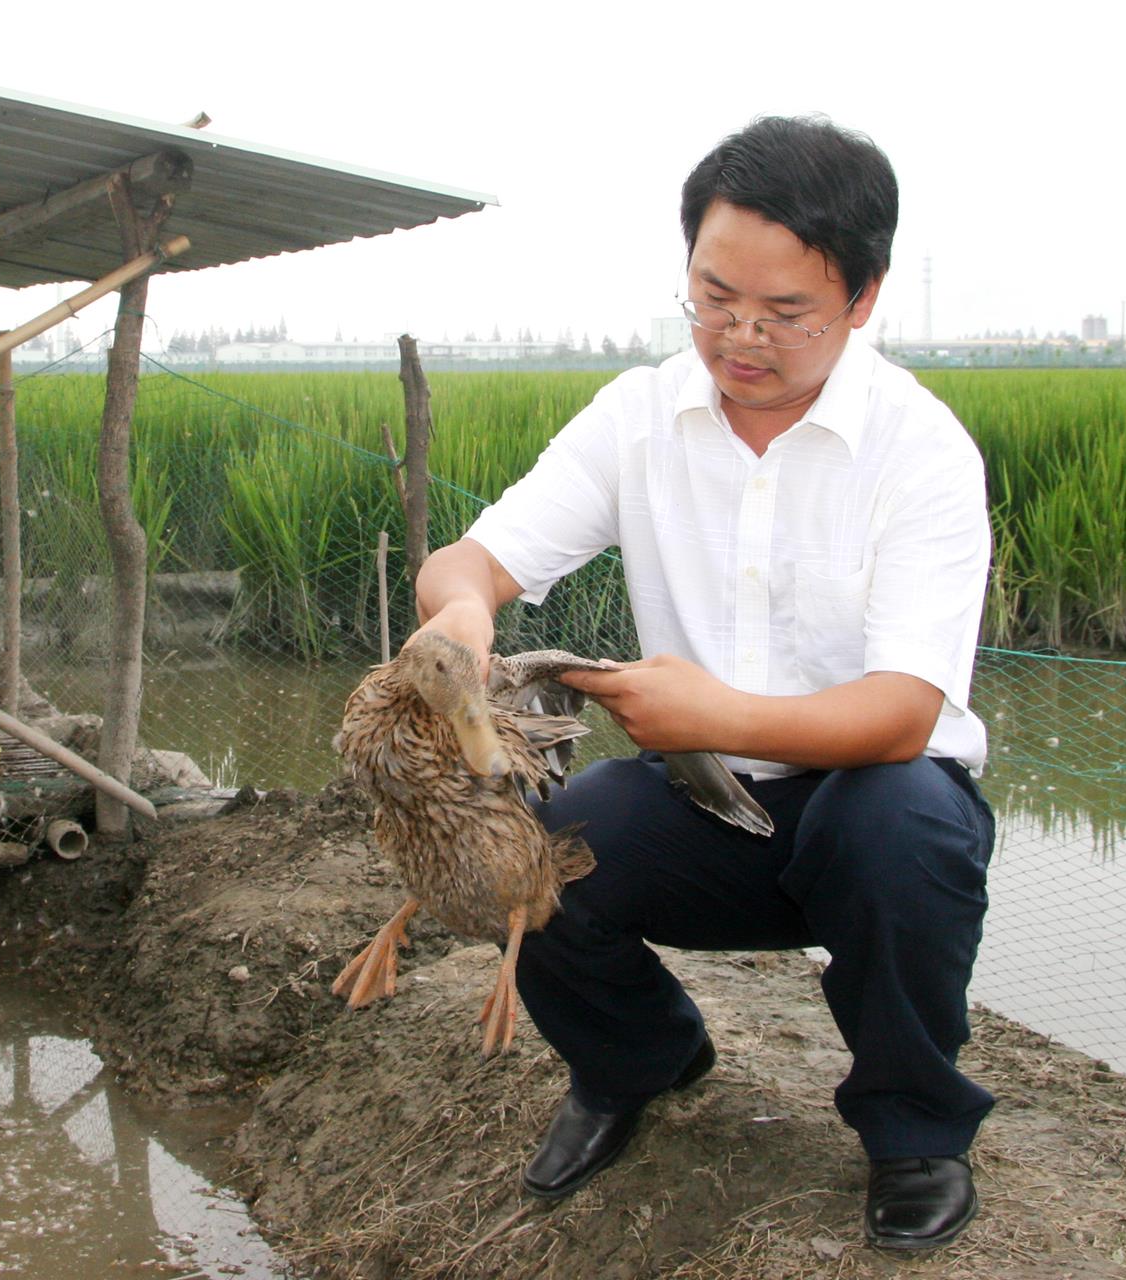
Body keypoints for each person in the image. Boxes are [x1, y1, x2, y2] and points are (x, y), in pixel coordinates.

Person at [411, 114, 997, 1252]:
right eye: (715, 296)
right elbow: (475, 557)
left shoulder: (920, 449)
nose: (742, 335)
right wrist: (469, 609)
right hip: (702, 798)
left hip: (876, 799)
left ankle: (915, 1128)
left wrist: (713, 711)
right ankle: (642, 1057)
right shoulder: (638, 417)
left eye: (787, 313)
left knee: (902, 826)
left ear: (865, 296)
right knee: (525, 852)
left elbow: (904, 712)